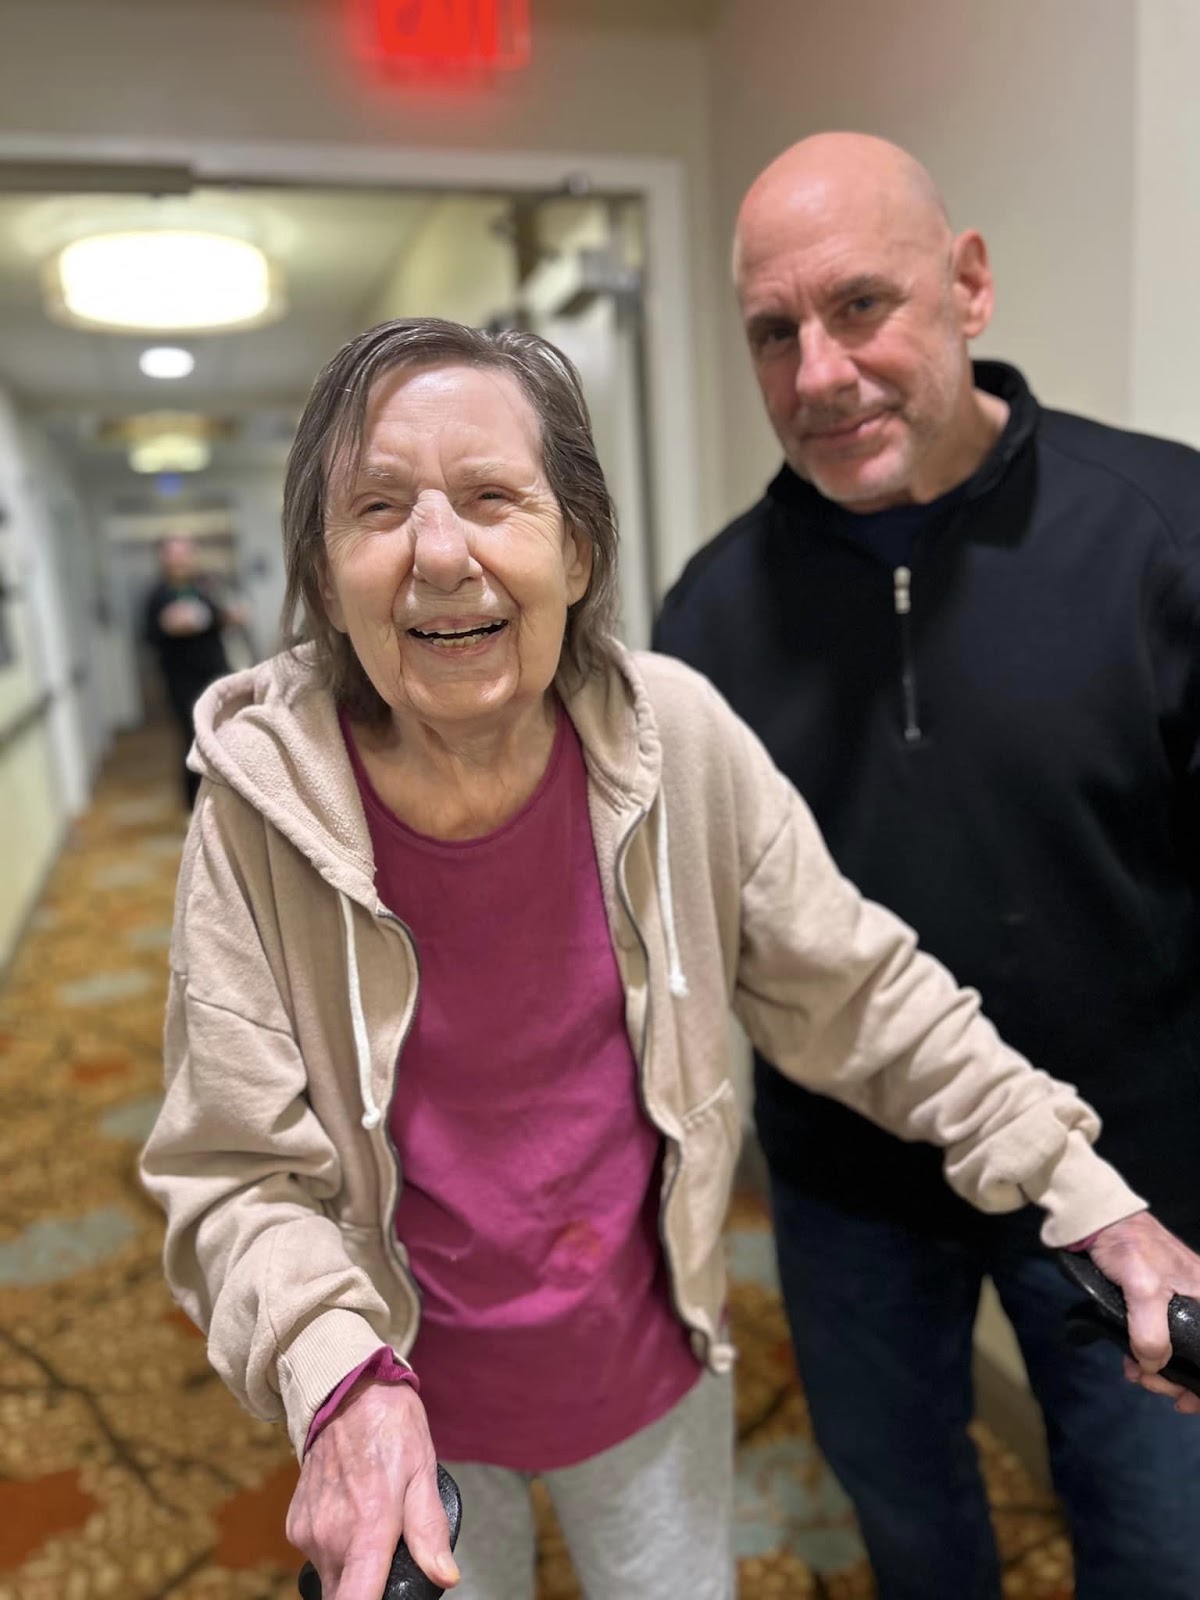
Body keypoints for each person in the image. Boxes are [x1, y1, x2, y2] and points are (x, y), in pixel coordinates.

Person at [140, 317, 1200, 1600]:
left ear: (576, 545)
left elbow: (862, 996)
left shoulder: (677, 741)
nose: (439, 554)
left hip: (647, 1377)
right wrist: (341, 1377)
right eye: (378, 508)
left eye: (491, 498)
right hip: (401, 1406)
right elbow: (232, 1169)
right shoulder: (259, 811)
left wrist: (1090, 1192)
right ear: (324, 563)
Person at [652, 132, 1200, 1599]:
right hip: (849, 1183)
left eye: (859, 307)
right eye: (776, 332)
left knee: (1163, 1546)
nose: (819, 375)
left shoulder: (1166, 534)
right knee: (908, 1522)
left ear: (969, 287)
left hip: (1131, 1169)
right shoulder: (704, 624)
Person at [143, 535, 244, 808]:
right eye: (174, 554)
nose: (180, 560)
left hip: (216, 672)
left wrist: (229, 618)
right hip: (182, 681)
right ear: (164, 559)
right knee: (194, 739)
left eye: (185, 554)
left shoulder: (205, 587)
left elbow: (217, 618)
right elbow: (148, 636)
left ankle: (230, 801)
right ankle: (196, 808)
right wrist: (169, 625)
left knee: (228, 733)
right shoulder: (157, 595)